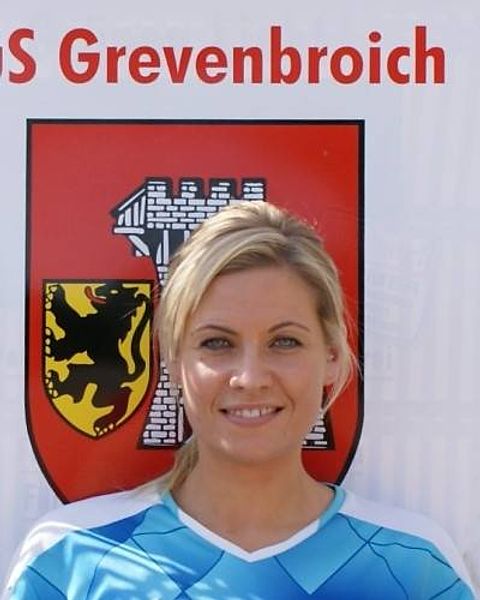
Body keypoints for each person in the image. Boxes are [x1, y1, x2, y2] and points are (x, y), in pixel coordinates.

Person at [2, 201, 476, 599]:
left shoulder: (414, 568)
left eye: (285, 342)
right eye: (217, 343)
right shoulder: (69, 561)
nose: (250, 378)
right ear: (173, 362)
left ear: (332, 358)